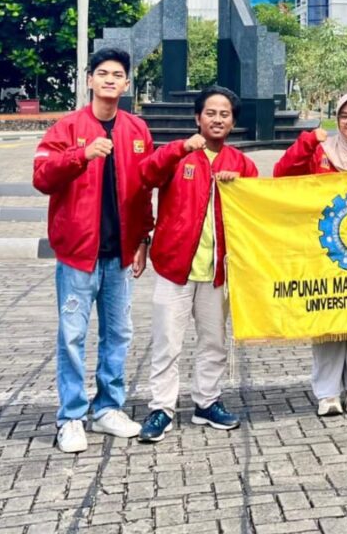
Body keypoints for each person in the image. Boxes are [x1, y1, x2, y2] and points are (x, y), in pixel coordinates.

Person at [33, 48, 153, 453]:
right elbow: (41, 177)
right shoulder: (66, 128)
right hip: (78, 255)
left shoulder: (137, 130)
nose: (109, 80)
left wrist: (143, 239)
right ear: (89, 80)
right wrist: (79, 156)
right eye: (102, 73)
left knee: (118, 334)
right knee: (72, 336)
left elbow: (143, 190)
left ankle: (107, 409)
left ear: (126, 83)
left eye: (117, 74)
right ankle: (70, 417)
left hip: (119, 254)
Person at [138, 85, 259, 443]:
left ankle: (207, 402)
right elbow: (146, 175)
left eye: (224, 114)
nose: (217, 119)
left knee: (214, 342)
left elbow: (257, 209)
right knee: (167, 342)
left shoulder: (242, 164)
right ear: (197, 118)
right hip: (175, 268)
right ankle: (161, 408)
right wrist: (179, 148)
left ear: (233, 122)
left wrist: (241, 185)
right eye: (211, 113)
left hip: (217, 272)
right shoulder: (179, 154)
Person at [273, 92, 347, 417]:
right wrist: (307, 142)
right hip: (324, 253)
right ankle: (327, 394)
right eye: (344, 116)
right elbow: (281, 175)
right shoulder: (320, 153)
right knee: (327, 322)